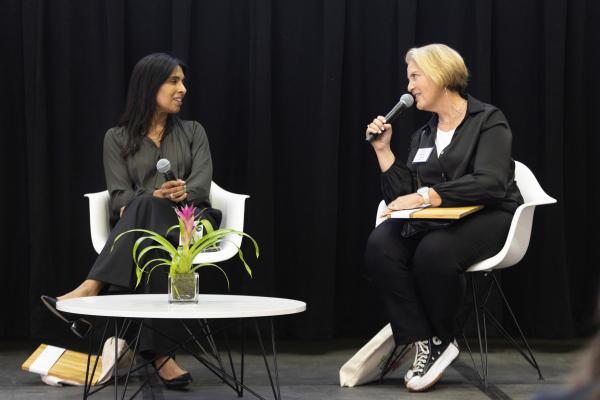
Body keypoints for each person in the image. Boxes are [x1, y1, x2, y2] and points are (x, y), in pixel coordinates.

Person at [42, 53, 219, 389]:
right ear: (149, 86)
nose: (183, 89)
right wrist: (152, 198)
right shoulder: (116, 138)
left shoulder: (194, 131)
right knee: (145, 216)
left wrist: (174, 192)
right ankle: (161, 356)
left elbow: (201, 184)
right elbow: (118, 196)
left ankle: (89, 290)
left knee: (143, 207)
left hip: (190, 221)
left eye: (182, 81)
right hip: (144, 226)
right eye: (174, 81)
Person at [364, 43, 523, 392]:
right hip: (441, 219)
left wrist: (430, 195)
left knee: (434, 251)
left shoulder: (487, 119)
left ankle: (442, 335)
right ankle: (425, 340)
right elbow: (403, 196)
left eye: (415, 76)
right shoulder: (423, 134)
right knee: (381, 245)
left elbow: (492, 181)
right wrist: (384, 151)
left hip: (492, 215)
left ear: (441, 74)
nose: (409, 87)